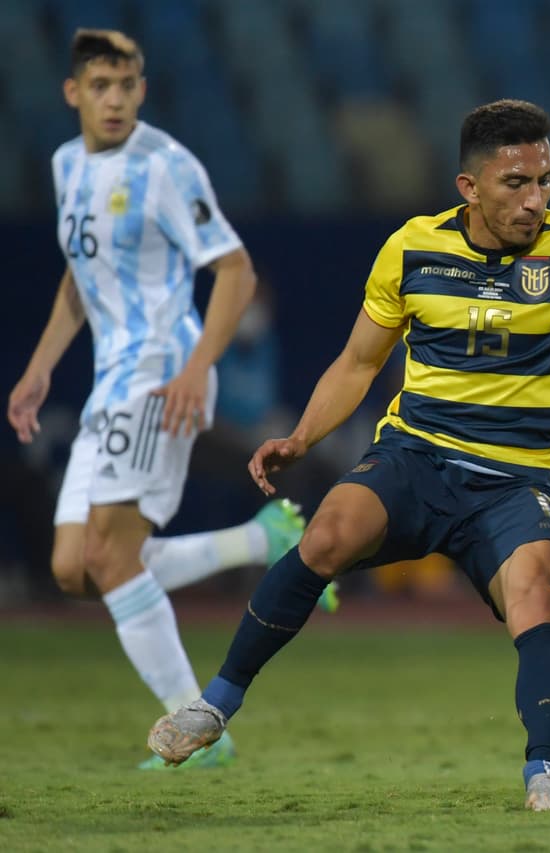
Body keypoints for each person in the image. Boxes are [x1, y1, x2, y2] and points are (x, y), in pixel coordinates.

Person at [146, 99, 550, 811]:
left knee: (538, 591)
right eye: (515, 185)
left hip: (514, 480)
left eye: (545, 182)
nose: (535, 201)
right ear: (469, 187)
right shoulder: (412, 247)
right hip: (416, 458)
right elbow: (356, 363)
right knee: (328, 532)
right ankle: (214, 706)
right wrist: (303, 437)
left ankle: (545, 774)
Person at [5, 29, 335, 770]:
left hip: (159, 370)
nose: (115, 99)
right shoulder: (65, 166)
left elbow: (237, 271)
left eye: (126, 84)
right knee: (72, 569)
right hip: (110, 376)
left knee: (108, 556)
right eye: (100, 86)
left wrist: (195, 367)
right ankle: (261, 540)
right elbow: (77, 274)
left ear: (142, 89)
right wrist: (40, 367)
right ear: (73, 92)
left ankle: (201, 733)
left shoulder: (164, 166)